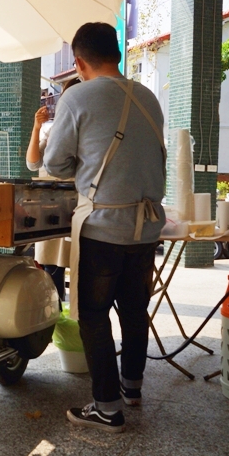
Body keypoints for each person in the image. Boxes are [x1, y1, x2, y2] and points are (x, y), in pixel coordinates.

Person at [44, 22, 166, 433]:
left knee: (93, 315)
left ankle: (107, 406)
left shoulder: (77, 97)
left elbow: (54, 164)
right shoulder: (148, 96)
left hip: (102, 227)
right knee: (134, 310)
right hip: (146, 228)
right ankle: (132, 387)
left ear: (79, 62)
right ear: (115, 52)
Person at [26, 78, 81, 302]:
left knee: (79, 268)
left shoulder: (91, 128)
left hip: (80, 205)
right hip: (52, 202)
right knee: (51, 267)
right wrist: (37, 127)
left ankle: (74, 324)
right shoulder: (54, 131)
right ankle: (58, 321)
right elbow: (32, 163)